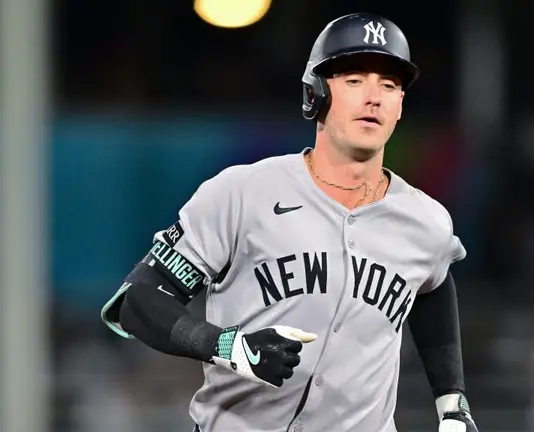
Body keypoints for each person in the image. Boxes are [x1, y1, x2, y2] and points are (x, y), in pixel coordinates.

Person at [101, 12, 477, 432]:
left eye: (389, 85)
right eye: (354, 80)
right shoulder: (242, 193)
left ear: (400, 104)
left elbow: (434, 284)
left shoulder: (425, 221)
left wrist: (452, 403)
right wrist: (228, 346)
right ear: (316, 94)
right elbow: (138, 302)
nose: (374, 97)